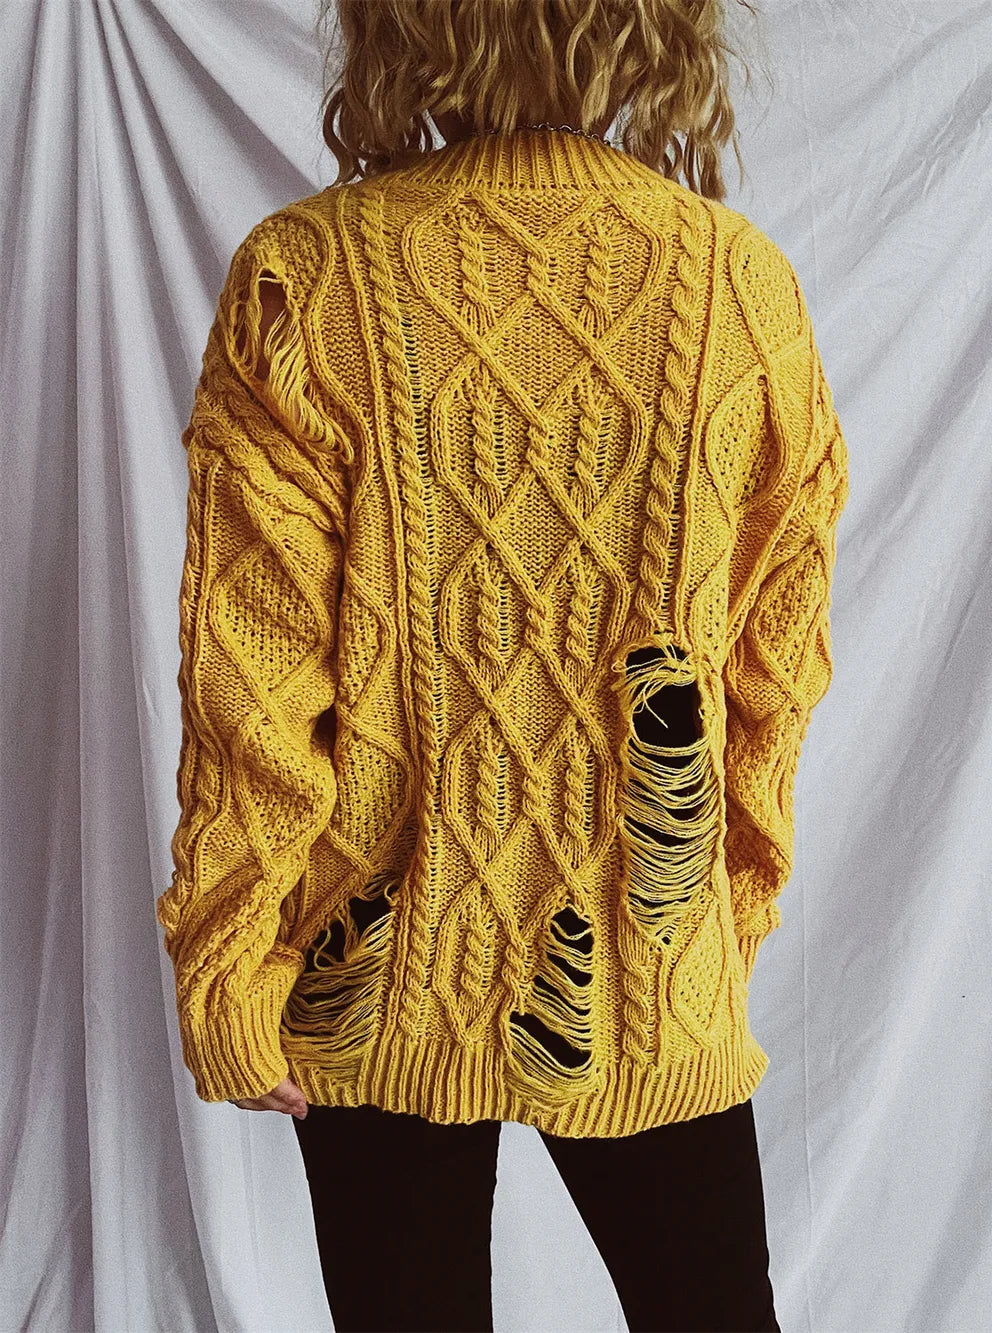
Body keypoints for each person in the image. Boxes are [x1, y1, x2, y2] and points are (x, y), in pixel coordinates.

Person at [156, 1, 849, 1329]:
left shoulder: (308, 279)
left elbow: (255, 674)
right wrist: (721, 909)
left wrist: (230, 960)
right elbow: (776, 665)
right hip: (643, 949)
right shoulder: (739, 289)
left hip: (371, 958)